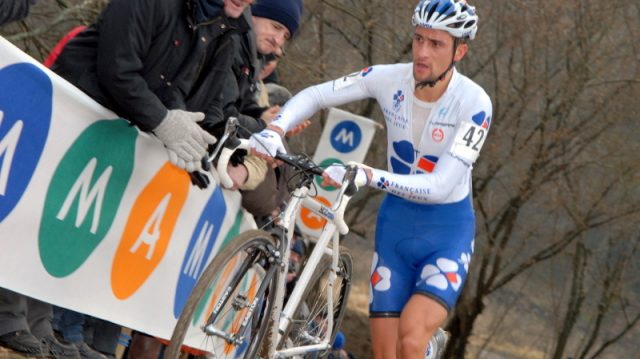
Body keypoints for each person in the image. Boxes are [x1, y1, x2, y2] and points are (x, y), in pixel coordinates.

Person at [249, 1, 491, 358]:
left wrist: (367, 174)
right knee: (385, 353)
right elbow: (317, 95)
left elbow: (440, 185)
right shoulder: (389, 78)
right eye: (418, 39)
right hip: (396, 224)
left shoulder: (474, 102)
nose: (422, 52)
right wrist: (275, 128)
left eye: (436, 44)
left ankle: (425, 345)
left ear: (461, 50)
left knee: (410, 341)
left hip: (446, 231)